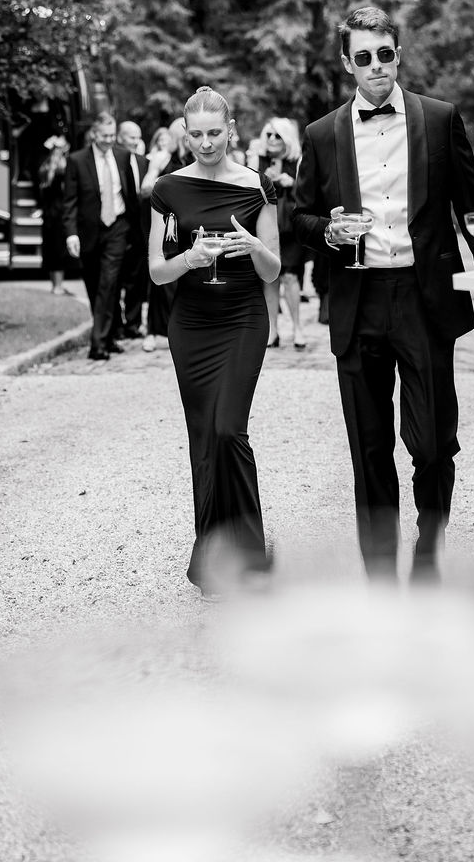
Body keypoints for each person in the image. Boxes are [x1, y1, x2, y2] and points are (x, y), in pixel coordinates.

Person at [293, 5, 474, 580]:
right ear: (347, 64)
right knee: (369, 446)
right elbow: (300, 217)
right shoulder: (322, 134)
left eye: (385, 54)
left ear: (397, 55)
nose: (376, 65)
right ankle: (379, 573)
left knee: (432, 443)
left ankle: (430, 551)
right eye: (364, 57)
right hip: (357, 298)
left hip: (423, 297)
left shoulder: (439, 118)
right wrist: (327, 231)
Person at [148, 86, 280, 596]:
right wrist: (190, 259)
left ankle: (251, 557)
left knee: (228, 430)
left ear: (231, 131)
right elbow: (157, 271)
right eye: (197, 134)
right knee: (204, 440)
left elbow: (273, 269)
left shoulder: (257, 186)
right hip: (191, 325)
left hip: (243, 318)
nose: (206, 143)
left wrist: (252, 246)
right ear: (186, 134)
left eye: (214, 133)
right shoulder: (167, 189)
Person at [64, 114, 139, 361]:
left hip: (118, 227)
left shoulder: (123, 156)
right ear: (94, 134)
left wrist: (134, 230)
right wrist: (71, 234)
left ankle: (98, 343)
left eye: (112, 135)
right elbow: (70, 201)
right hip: (89, 231)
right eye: (104, 135)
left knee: (108, 282)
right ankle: (110, 334)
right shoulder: (76, 160)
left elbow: (130, 194)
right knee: (95, 284)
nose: (109, 140)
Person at [252, 117, 306, 349]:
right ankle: (272, 330)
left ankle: (297, 328)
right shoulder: (257, 160)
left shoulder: (298, 161)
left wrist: (291, 182)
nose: (272, 139)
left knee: (291, 277)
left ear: (287, 139)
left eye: (278, 135)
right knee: (270, 277)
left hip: (290, 228)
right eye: (269, 135)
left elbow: (309, 194)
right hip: (265, 226)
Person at [139, 119, 188, 351]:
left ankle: (181, 329)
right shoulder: (162, 158)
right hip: (167, 223)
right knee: (161, 275)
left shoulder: (198, 160)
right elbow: (145, 188)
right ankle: (154, 330)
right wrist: (163, 183)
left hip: (190, 222)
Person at [115, 120, 147, 340]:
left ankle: (133, 324)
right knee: (116, 279)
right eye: (131, 137)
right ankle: (116, 325)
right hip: (118, 227)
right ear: (120, 138)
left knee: (137, 278)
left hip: (139, 230)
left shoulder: (144, 162)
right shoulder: (113, 161)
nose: (136, 142)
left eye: (138, 137)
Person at [36, 135, 73, 294]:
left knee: (50, 248)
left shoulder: (45, 167)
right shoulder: (62, 168)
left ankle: (54, 284)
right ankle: (58, 286)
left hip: (48, 213)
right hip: (59, 213)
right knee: (59, 249)